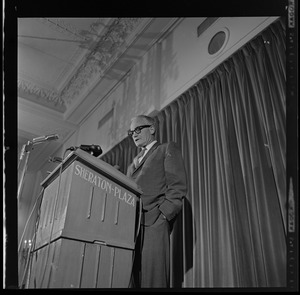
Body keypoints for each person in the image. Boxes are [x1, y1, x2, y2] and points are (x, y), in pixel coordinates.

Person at [126, 115, 187, 288]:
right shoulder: (132, 165)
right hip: (130, 229)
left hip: (154, 224)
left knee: (154, 281)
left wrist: (163, 217)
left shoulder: (166, 149)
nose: (134, 135)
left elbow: (177, 186)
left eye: (138, 129)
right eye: (131, 132)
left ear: (152, 129)